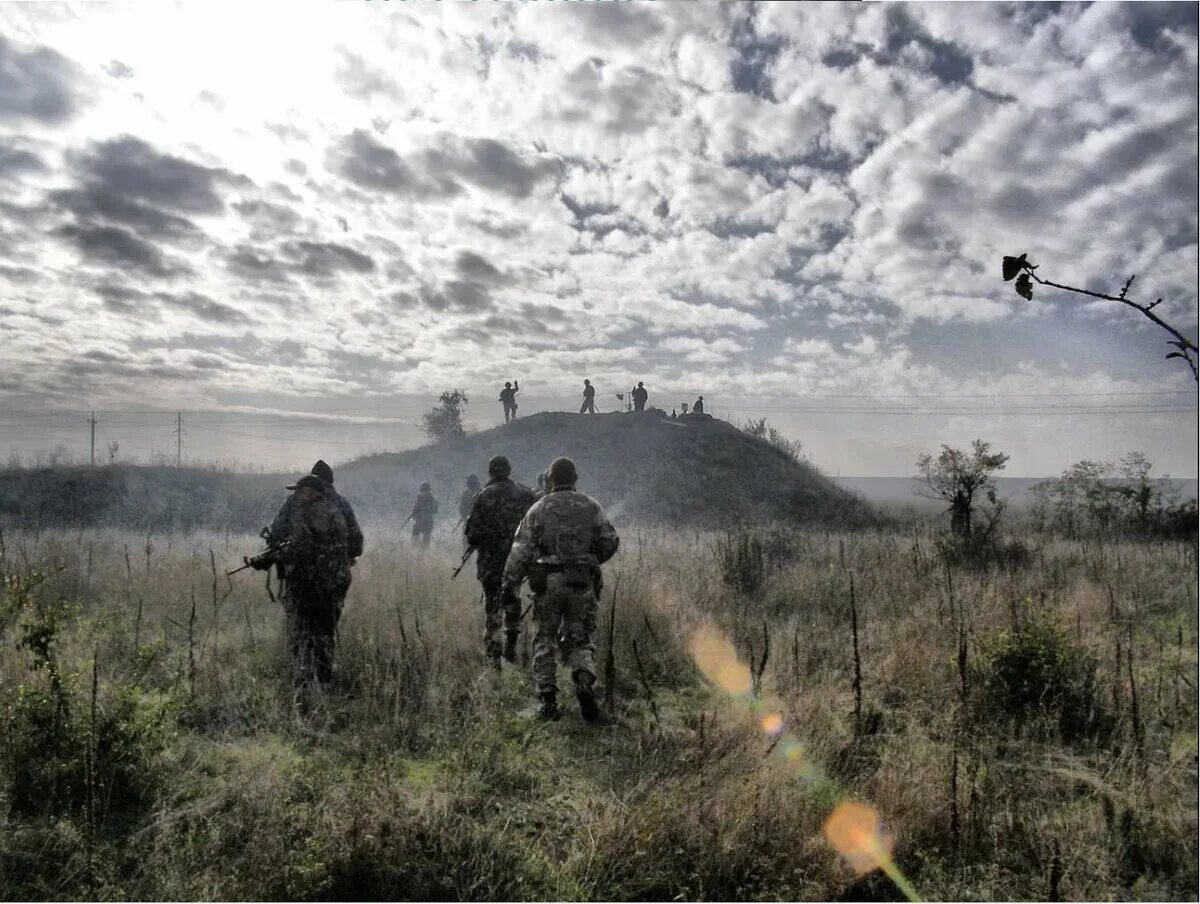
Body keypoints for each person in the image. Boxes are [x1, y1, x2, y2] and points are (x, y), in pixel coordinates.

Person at [504, 457, 619, 721]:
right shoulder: (592, 506)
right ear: (575, 479)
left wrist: (511, 582)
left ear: (551, 480)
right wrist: (591, 559)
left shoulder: (538, 509)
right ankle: (583, 682)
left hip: (549, 582)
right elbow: (610, 541)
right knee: (581, 638)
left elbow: (521, 549)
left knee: (544, 638)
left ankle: (548, 700)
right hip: (581, 581)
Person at [260, 473, 351, 709]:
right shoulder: (333, 509)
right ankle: (323, 679)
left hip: (314, 582)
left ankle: (305, 683)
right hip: (334, 581)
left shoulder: (312, 513)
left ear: (311, 492)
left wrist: (269, 558)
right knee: (324, 631)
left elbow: (300, 548)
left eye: (300, 491)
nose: (296, 496)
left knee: (303, 631)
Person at [464, 456, 535, 666]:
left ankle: (494, 655)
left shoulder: (483, 496)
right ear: (509, 470)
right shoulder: (526, 494)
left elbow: (472, 534)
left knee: (493, 606)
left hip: (492, 562)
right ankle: (512, 648)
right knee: (513, 599)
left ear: (490, 472)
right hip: (518, 560)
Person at [410, 482, 438, 546]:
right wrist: (413, 516)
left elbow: (435, 510)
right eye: (423, 490)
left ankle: (424, 553)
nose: (424, 492)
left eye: (425, 490)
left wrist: (426, 508)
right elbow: (414, 509)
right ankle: (416, 552)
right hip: (418, 522)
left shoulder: (432, 499)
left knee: (426, 541)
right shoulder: (419, 498)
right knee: (415, 539)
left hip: (427, 522)